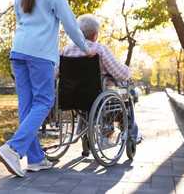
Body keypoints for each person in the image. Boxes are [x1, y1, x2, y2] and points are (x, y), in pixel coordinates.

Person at [0, 0, 96, 178]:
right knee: (44, 101)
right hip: (39, 53)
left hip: (18, 50)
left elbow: (20, 21)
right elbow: (69, 20)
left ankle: (36, 159)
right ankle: (13, 149)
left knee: (27, 105)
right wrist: (84, 47)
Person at [61, 14, 142, 142]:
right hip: (97, 95)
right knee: (125, 96)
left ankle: (92, 132)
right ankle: (131, 132)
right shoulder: (100, 49)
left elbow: (56, 73)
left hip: (72, 95)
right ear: (95, 35)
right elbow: (121, 74)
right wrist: (128, 71)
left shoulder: (66, 49)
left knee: (102, 94)